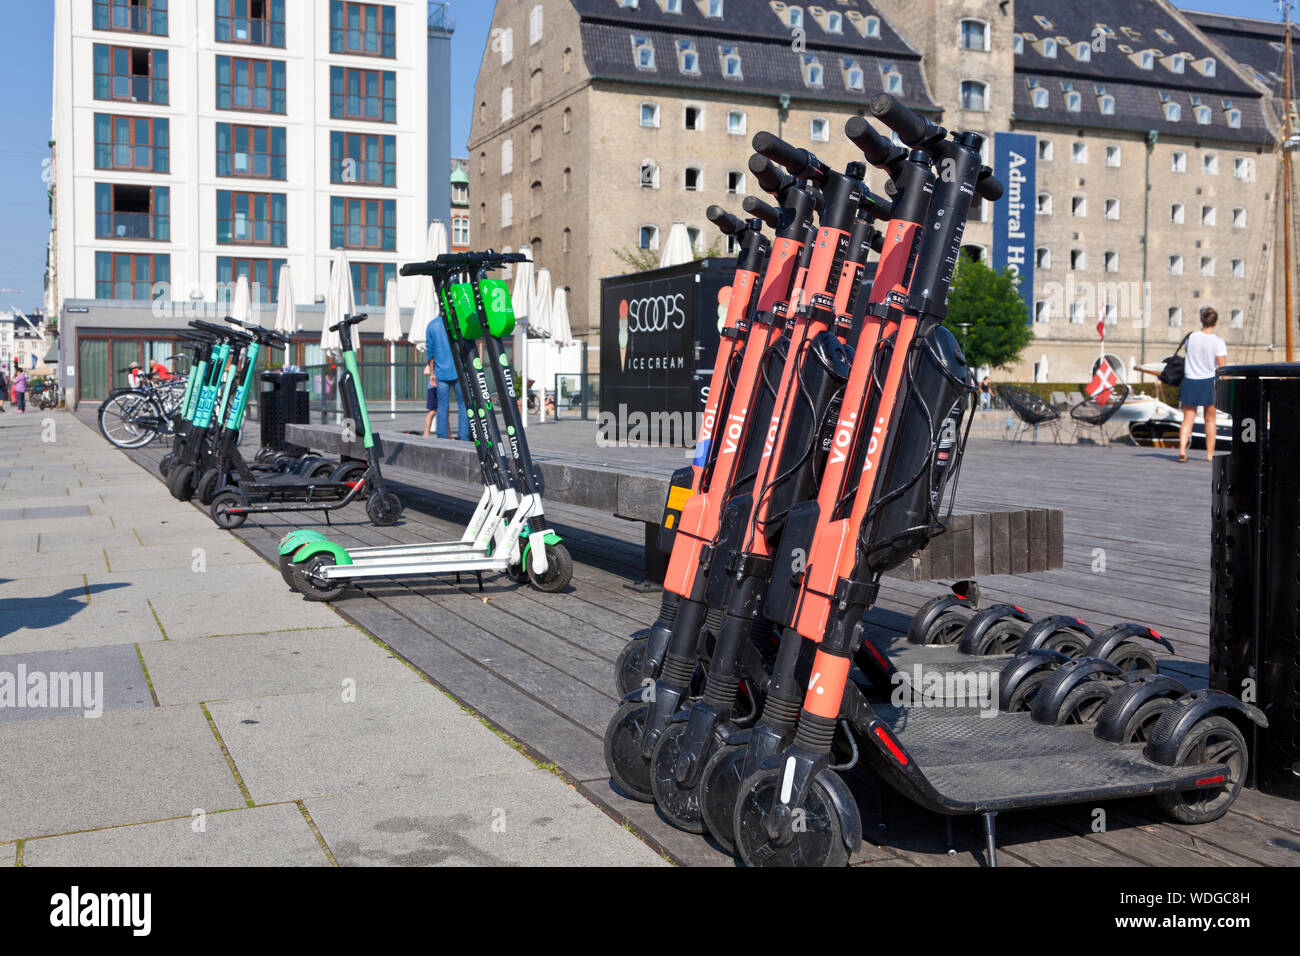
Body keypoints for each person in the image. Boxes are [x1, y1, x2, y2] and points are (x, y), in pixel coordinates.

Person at [1177, 306, 1228, 463]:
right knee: (1210, 419)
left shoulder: (1190, 337)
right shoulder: (1218, 342)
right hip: (1208, 381)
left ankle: (1182, 451)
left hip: (1190, 379)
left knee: (1188, 418)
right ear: (1216, 322)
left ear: (1201, 320)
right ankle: (1209, 455)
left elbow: (1188, 354)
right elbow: (1221, 366)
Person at [425, 315, 469, 440]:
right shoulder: (458, 320)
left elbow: (430, 353)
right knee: (463, 405)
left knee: (442, 406)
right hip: (459, 371)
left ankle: (442, 437)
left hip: (441, 372)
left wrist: (432, 373)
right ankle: (464, 437)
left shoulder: (432, 325)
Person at [421, 357, 439, 437]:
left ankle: (447, 434)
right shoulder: (433, 359)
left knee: (445, 411)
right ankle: (426, 434)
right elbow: (426, 371)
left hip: (439, 387)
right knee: (432, 411)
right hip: (433, 387)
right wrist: (433, 373)